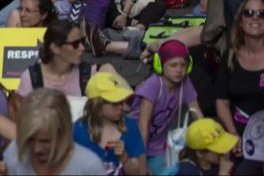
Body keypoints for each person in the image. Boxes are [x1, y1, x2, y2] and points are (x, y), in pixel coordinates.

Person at [215, 0, 264, 139]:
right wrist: (233, 136)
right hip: (237, 132)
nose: (255, 17)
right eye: (249, 13)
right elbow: (222, 101)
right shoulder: (230, 56)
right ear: (241, 22)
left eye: (262, 14)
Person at [130, 40, 203, 175]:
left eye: (183, 65)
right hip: (136, 141)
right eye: (173, 65)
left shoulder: (184, 82)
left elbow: (197, 113)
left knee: (170, 171)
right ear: (160, 65)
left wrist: (209, 134)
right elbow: (143, 126)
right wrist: (142, 163)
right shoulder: (153, 84)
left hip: (157, 145)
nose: (179, 70)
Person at [12, 20, 111, 115]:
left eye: (83, 42)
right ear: (55, 48)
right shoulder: (32, 78)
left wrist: (107, 70)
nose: (83, 48)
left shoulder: (89, 73)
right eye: (75, 44)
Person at [4, 88, 105, 175]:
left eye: (45, 141)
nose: (36, 149)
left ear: (64, 133)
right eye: (30, 140)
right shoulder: (14, 153)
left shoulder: (89, 168)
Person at [73, 72, 146, 175]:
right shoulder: (77, 130)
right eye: (115, 102)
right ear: (97, 104)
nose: (120, 107)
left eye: (121, 101)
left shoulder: (130, 127)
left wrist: (124, 157)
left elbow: (141, 172)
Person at [172, 118, 238, 176]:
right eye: (218, 149)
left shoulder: (217, 161)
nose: (224, 150)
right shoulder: (186, 171)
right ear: (200, 153)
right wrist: (223, 173)